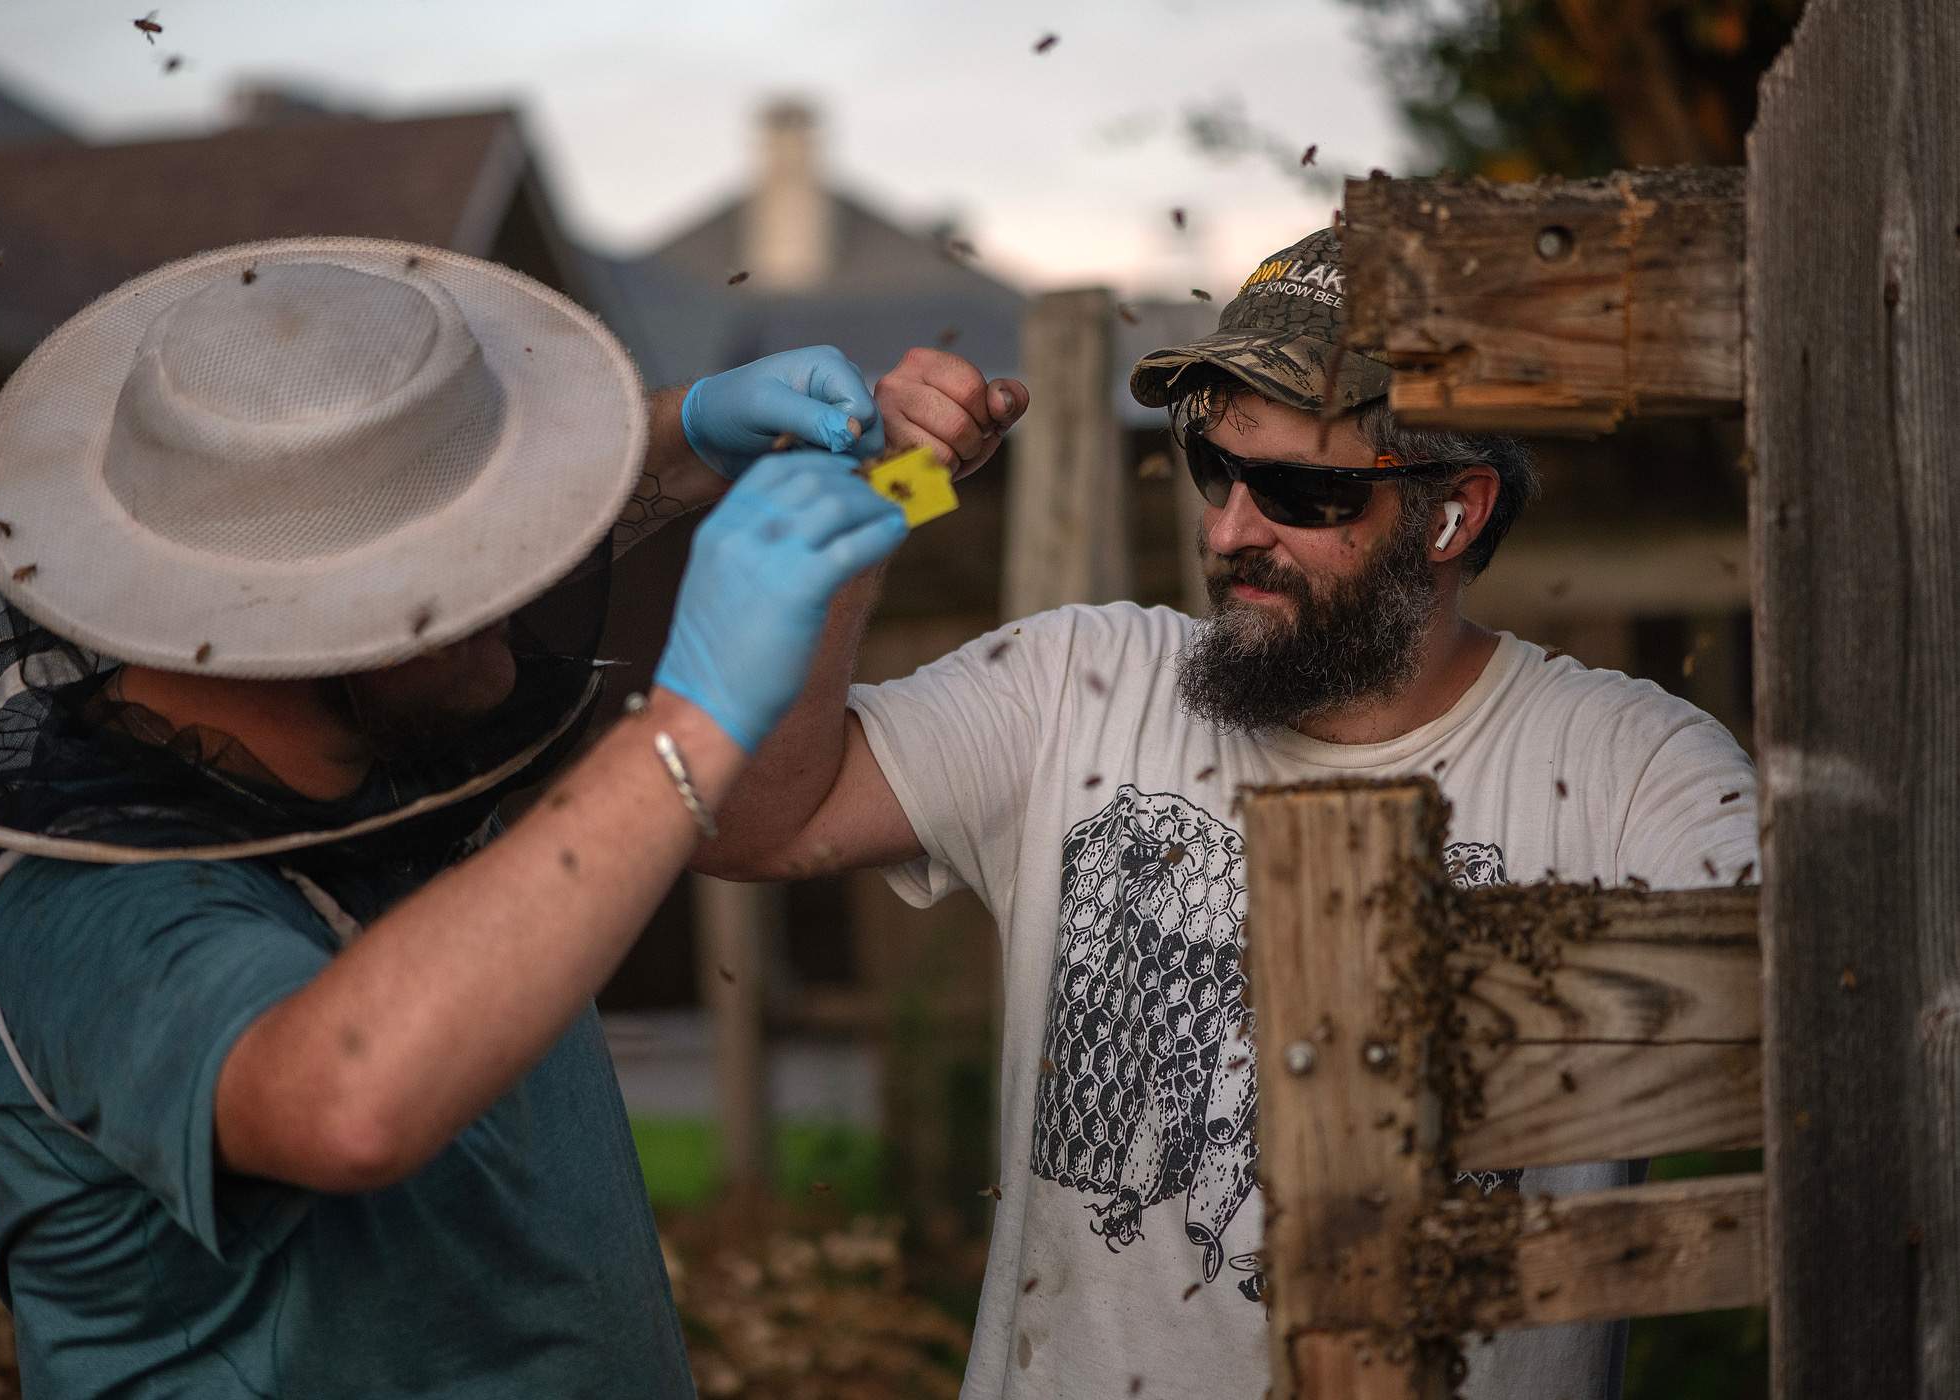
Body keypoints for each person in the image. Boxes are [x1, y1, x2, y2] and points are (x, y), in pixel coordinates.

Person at [696, 226, 1759, 1399]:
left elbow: (1821, 1058)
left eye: (1300, 488)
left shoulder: (1634, 771)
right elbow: (755, 823)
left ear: (1455, 514)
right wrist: (879, 503)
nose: (1227, 529)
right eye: (1214, 467)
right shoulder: (1075, 683)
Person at [0, 237, 911, 1398]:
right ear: (329, 623)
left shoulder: (374, 736)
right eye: (475, 565)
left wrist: (692, 434)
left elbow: (393, 551)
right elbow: (345, 1103)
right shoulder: (93, 914)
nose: (520, 580)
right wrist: (691, 726)